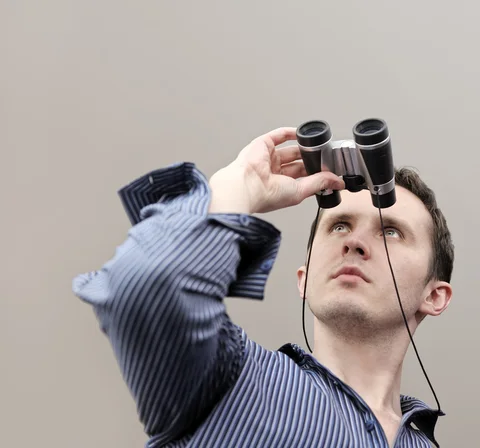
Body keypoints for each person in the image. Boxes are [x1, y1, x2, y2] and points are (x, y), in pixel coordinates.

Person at [73, 126, 454, 448]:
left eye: (390, 231)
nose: (353, 243)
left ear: (434, 295)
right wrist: (240, 186)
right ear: (304, 279)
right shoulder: (224, 378)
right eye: (339, 226)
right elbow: (145, 286)